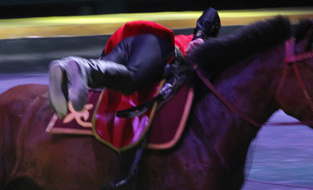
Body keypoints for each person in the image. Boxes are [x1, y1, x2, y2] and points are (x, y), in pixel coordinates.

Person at [47, 7, 221, 119]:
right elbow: (211, 13)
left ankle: (64, 69)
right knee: (132, 81)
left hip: (130, 43)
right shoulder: (200, 49)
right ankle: (80, 68)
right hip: (158, 48)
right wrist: (199, 38)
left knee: (102, 78)